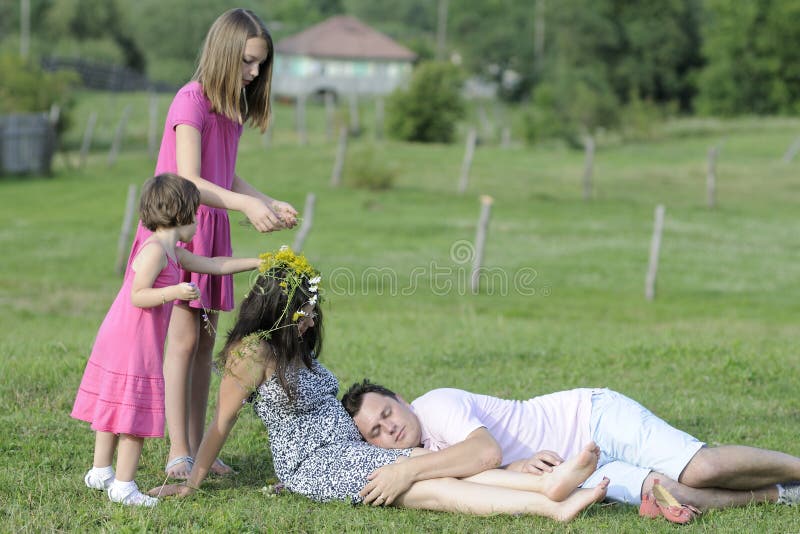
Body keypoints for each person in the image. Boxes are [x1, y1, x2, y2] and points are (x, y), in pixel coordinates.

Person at [149, 248, 610, 522]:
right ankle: (549, 503)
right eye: (306, 309)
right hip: (316, 463)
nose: (313, 318)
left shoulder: (293, 348)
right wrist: (192, 481)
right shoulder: (251, 355)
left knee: (427, 465)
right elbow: (221, 423)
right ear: (280, 311)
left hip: (348, 450)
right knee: (425, 486)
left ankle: (549, 487)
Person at [126, 7, 298, 480]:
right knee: (181, 342)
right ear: (224, 52)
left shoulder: (230, 109)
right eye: (248, 61)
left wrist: (264, 199)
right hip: (180, 231)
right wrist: (244, 207)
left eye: (261, 64)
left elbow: (225, 173)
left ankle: (199, 449)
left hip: (212, 228)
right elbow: (190, 179)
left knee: (204, 342)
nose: (254, 72)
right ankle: (178, 453)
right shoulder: (191, 101)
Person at [71, 173, 263, 507]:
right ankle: (123, 486)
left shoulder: (173, 251)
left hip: (126, 338)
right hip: (133, 341)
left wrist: (259, 262)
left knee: (117, 404)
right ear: (183, 214)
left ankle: (101, 470)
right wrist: (175, 291)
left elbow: (215, 265)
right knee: (133, 411)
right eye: (196, 215)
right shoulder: (155, 251)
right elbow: (138, 295)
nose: (199, 224)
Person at [342, 381, 800, 520]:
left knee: (702, 467)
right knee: (674, 492)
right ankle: (781, 494)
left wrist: (407, 473)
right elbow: (494, 463)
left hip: (591, 420)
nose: (389, 428)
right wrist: (518, 463)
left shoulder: (435, 406)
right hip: (576, 469)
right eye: (376, 433)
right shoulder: (423, 450)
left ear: (400, 400)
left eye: (386, 413)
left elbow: (482, 452)